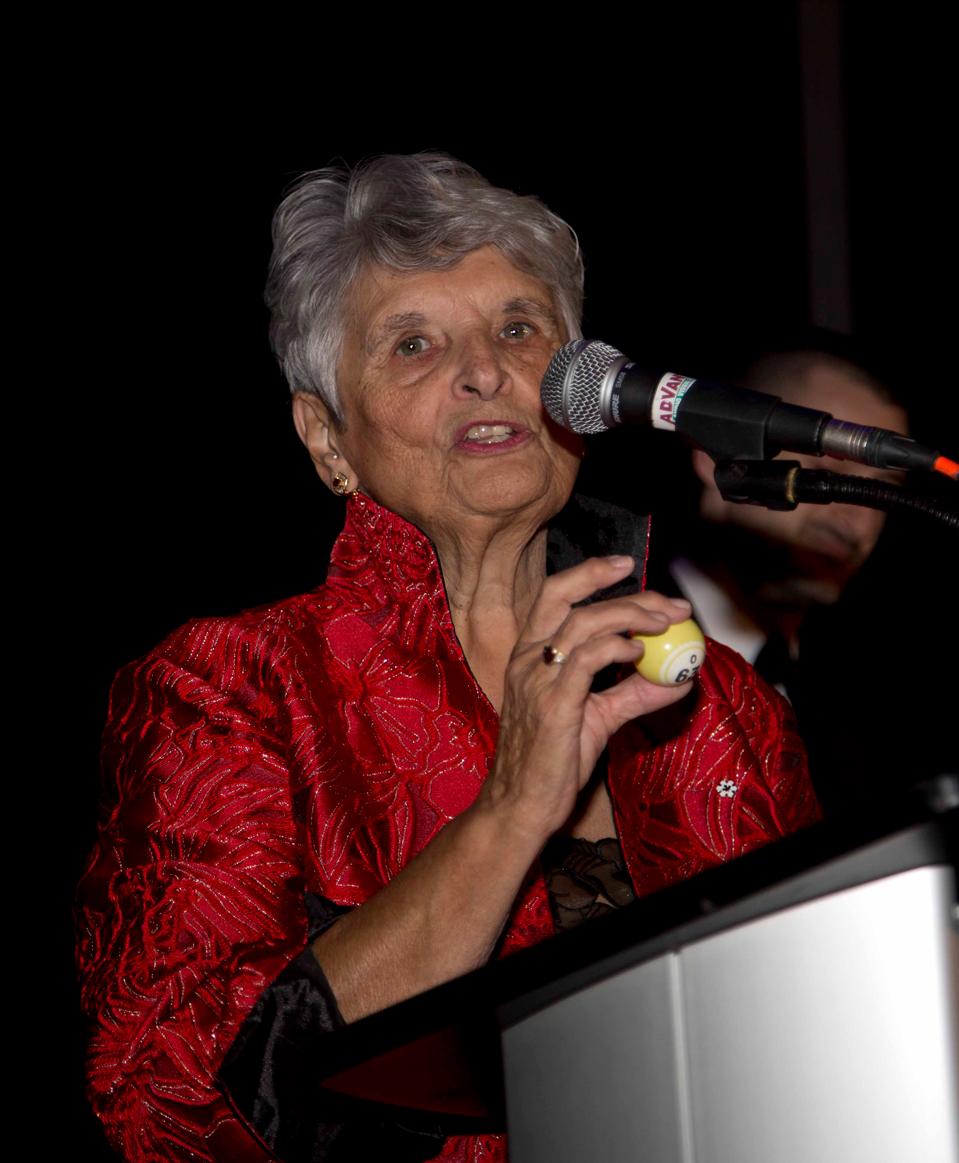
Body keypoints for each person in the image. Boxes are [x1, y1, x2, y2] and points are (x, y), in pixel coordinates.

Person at [74, 154, 821, 1162]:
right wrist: (512, 811)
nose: (485, 370)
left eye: (519, 329)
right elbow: (174, 1113)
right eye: (412, 344)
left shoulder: (721, 702)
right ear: (325, 439)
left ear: (581, 394)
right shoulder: (234, 688)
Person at [665, 350, 908, 814]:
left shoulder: (862, 714)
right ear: (717, 456)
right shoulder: (609, 644)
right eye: (827, 474)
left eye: (882, 491)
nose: (857, 523)